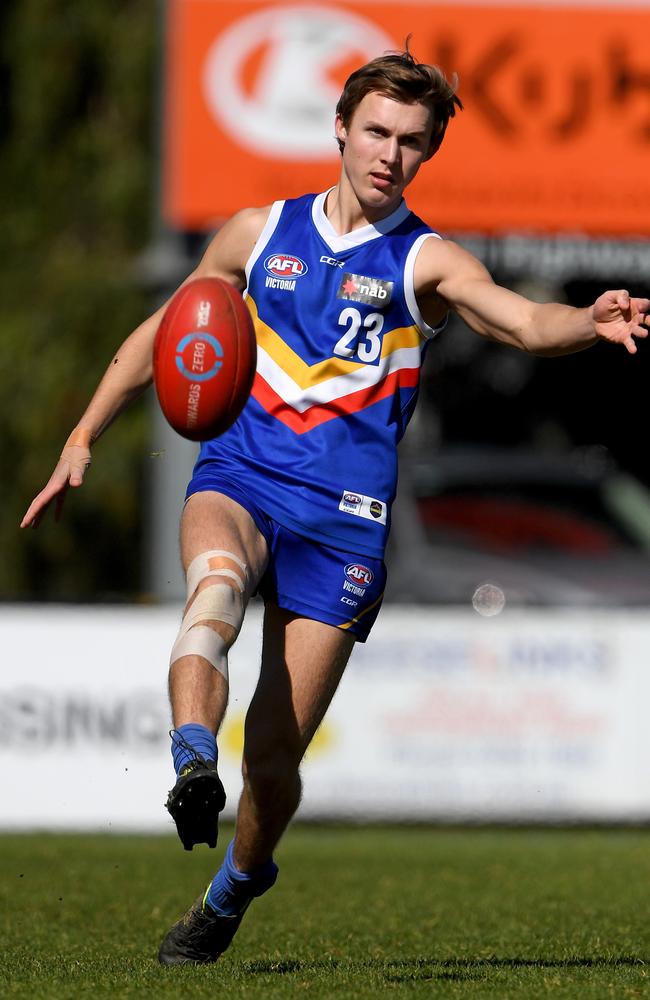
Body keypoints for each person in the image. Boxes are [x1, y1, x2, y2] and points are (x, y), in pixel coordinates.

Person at [21, 46, 648, 965]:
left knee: (274, 761)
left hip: (344, 520)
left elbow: (516, 318)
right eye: (377, 133)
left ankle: (232, 889)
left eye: (413, 142)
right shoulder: (255, 233)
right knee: (214, 592)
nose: (391, 155)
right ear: (342, 131)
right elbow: (170, 331)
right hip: (239, 476)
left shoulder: (425, 260)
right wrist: (81, 437)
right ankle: (193, 756)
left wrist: (585, 323)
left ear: (427, 153)